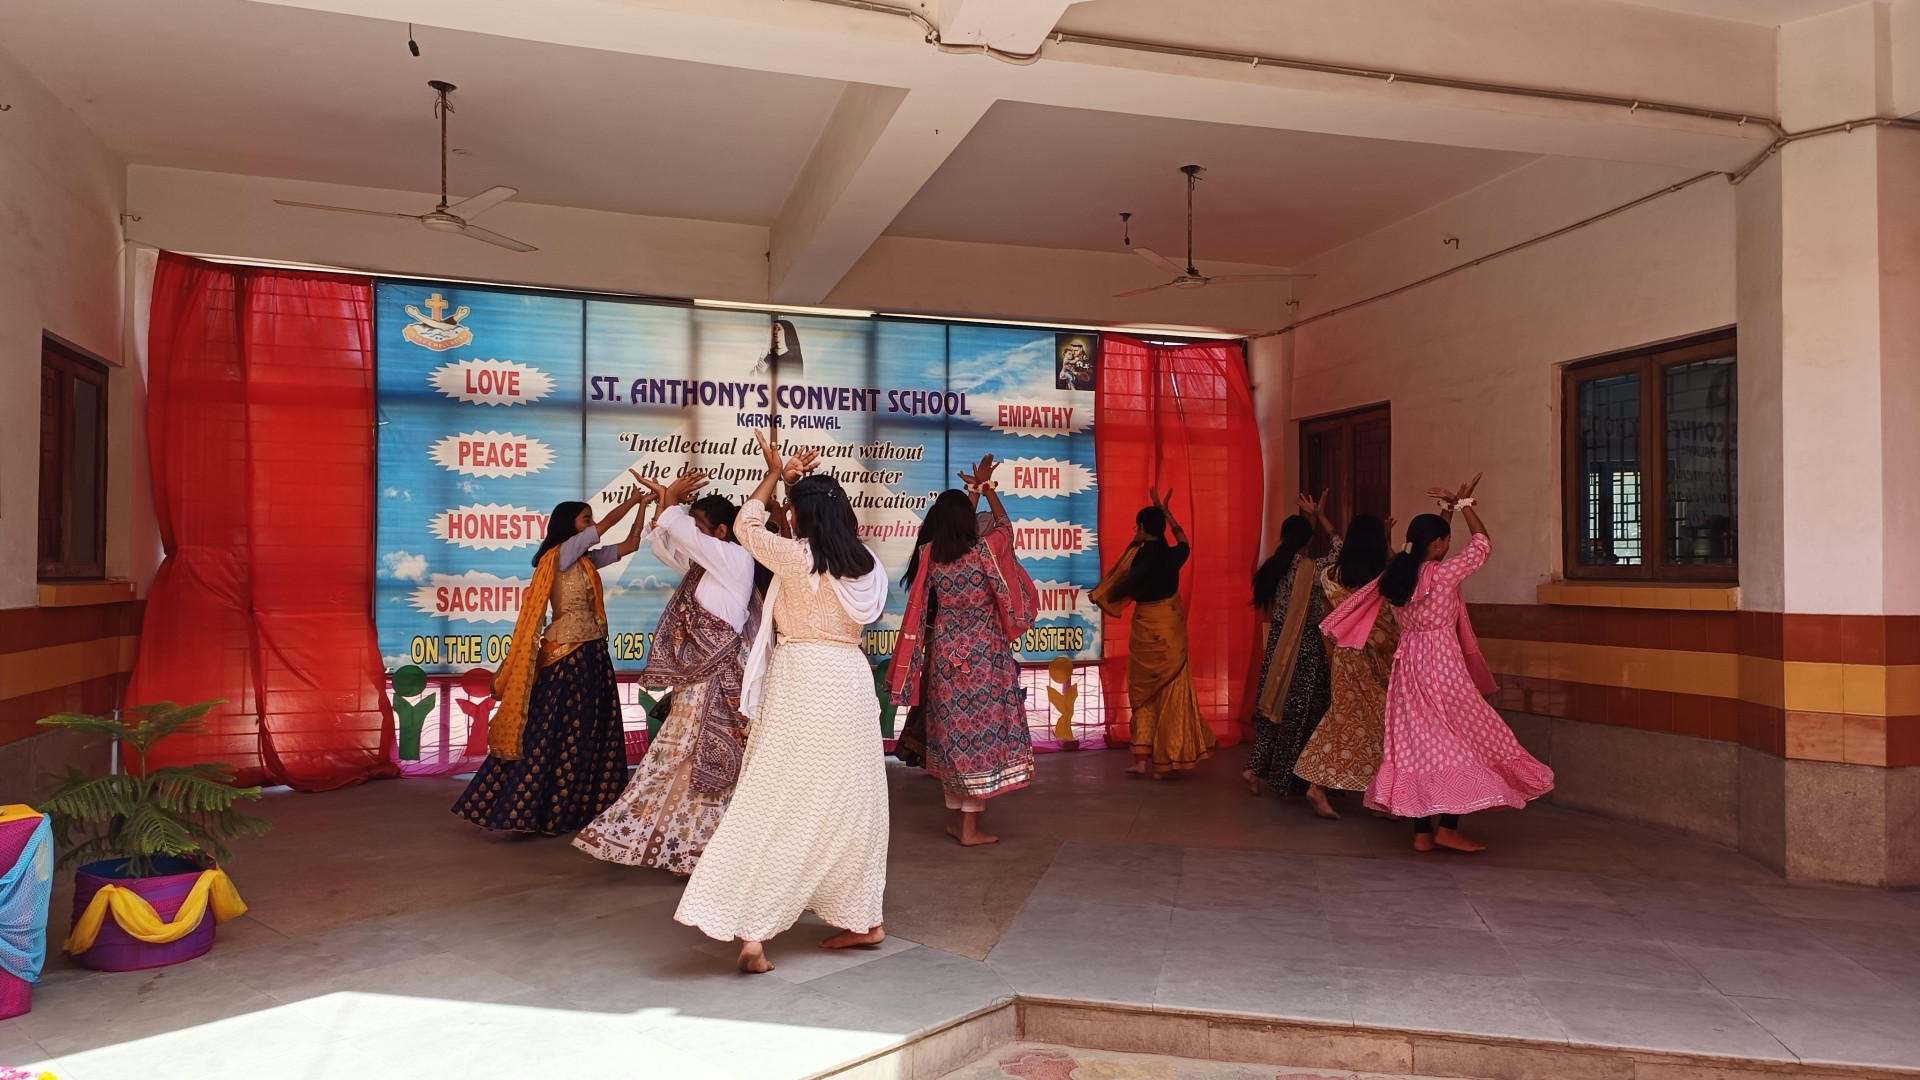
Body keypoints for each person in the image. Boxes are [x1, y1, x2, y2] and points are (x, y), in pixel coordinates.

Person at [675, 431, 890, 973]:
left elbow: (746, 524)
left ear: (799, 517)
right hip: (850, 680)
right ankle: (864, 919)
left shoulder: (794, 558)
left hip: (803, 679)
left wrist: (775, 475)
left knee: (778, 799)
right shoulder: (867, 564)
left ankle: (753, 931)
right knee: (854, 802)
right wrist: (794, 488)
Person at [1323, 476, 1553, 852]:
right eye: (1445, 540)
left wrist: (1447, 511)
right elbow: (1482, 544)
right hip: (1443, 668)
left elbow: (1429, 547)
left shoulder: (1397, 576)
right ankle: (1447, 828)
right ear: (1439, 545)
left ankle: (1422, 834)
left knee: (1418, 748)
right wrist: (1463, 506)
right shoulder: (1444, 576)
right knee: (1460, 741)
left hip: (1408, 668)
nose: (1447, 545)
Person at [573, 469, 761, 876]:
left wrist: (671, 500)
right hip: (699, 679)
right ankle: (685, 846)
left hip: (719, 679)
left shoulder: (734, 559)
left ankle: (708, 850)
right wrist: (667, 504)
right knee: (680, 755)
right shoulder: (706, 566)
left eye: (701, 528)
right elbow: (668, 543)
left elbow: (681, 533)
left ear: (722, 532)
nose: (693, 535)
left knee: (704, 760)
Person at [454, 481, 650, 835]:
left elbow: (630, 545)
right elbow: (605, 526)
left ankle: (577, 808)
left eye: (590, 519)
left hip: (592, 651)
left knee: (590, 728)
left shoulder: (585, 561)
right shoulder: (561, 555)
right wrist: (632, 499)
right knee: (554, 730)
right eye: (585, 519)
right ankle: (533, 809)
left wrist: (642, 508)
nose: (591, 524)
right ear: (568, 525)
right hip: (566, 654)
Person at [889, 454, 1040, 846]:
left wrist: (970, 493)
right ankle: (970, 829)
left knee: (955, 735)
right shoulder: (984, 553)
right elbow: (1005, 527)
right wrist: (986, 489)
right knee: (981, 738)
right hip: (985, 657)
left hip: (946, 659)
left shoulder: (931, 557)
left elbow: (952, 527)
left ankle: (959, 821)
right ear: (968, 522)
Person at [1090, 488, 1216, 778]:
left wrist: (1153, 522)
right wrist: (1167, 513)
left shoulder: (1135, 558)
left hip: (1145, 631)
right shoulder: (1173, 555)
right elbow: (1185, 543)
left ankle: (1141, 761)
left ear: (1142, 528)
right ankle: (1166, 761)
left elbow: (1116, 582)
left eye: (1137, 527)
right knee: (1171, 693)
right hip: (1170, 633)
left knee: (1143, 695)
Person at [1293, 513, 1397, 819]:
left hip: (1345, 656)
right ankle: (1373, 796)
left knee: (1345, 718)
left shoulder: (1332, 575)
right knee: (1384, 724)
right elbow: (1391, 616)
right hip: (1375, 656)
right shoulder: (1384, 578)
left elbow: (1331, 620)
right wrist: (1386, 541)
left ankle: (1371, 795)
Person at [1242, 493, 1338, 801]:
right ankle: (1292, 779)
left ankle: (1254, 768)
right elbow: (1341, 552)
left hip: (1278, 642)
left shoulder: (1275, 565)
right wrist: (1321, 518)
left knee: (1274, 707)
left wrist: (1309, 521)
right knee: (1301, 712)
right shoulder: (1311, 570)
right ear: (1307, 540)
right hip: (1304, 646)